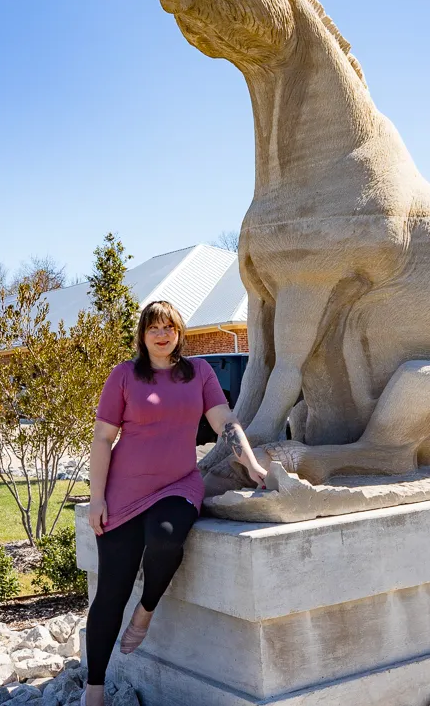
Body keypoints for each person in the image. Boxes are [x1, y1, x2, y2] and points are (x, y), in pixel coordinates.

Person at [82, 300, 268, 706]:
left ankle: (146, 611)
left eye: (169, 327)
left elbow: (226, 423)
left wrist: (252, 464)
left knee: (166, 539)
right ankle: (93, 690)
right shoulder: (124, 376)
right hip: (123, 493)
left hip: (179, 485)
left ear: (180, 332)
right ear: (142, 336)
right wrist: (97, 498)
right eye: (154, 329)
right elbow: (102, 439)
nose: (162, 334)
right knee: (110, 593)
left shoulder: (198, 373)